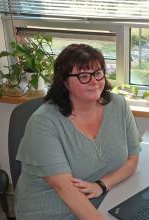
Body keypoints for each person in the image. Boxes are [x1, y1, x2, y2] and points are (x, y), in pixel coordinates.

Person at [14, 44, 141, 220]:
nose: (94, 81)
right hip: (52, 211)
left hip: (102, 202)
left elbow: (132, 159)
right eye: (83, 76)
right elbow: (64, 189)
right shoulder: (43, 123)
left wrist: (101, 186)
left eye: (97, 73)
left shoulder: (118, 106)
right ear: (64, 82)